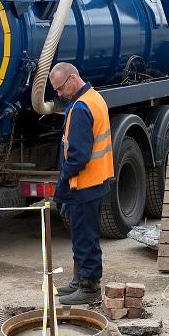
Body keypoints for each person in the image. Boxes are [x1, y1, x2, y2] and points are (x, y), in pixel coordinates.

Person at [50, 62, 114, 305]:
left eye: (59, 89)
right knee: (81, 235)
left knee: (85, 237)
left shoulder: (81, 107)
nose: (58, 94)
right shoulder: (93, 97)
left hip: (85, 184)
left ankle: (89, 287)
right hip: (94, 181)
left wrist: (62, 183)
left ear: (73, 79)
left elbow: (77, 156)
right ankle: (80, 280)